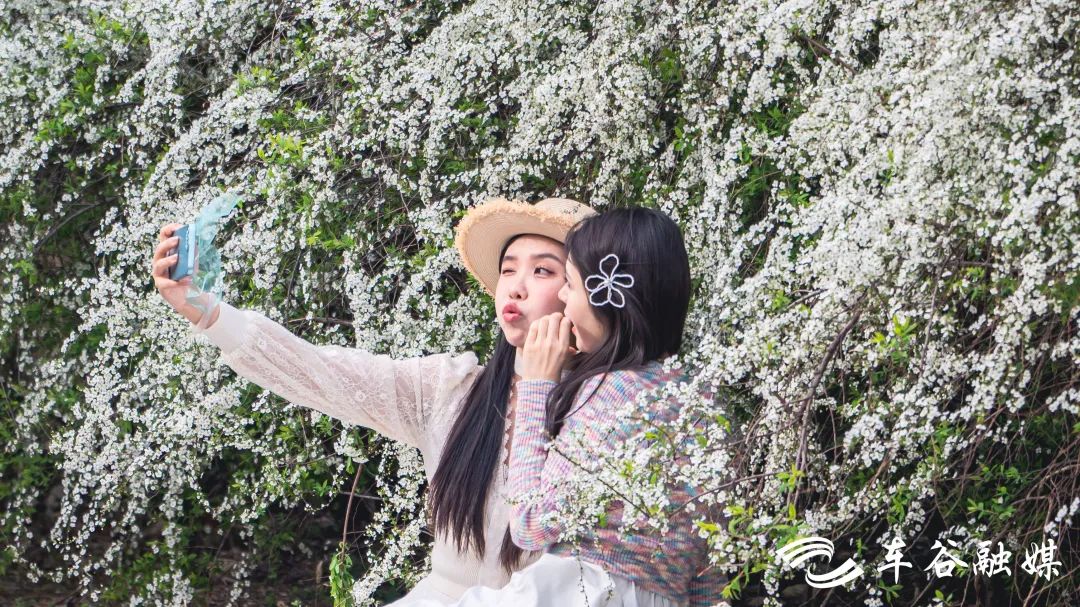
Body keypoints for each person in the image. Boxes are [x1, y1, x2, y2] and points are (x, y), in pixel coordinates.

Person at [151, 196, 597, 604]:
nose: (515, 288)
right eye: (508, 270)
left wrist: (543, 383)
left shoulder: (608, 409)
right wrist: (204, 309)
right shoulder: (452, 390)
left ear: (580, 294)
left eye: (543, 271)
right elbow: (322, 373)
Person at [396, 207, 726, 607]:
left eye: (569, 283)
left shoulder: (610, 393)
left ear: (608, 293)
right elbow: (709, 564)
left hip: (580, 591)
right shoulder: (698, 399)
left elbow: (530, 524)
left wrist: (536, 386)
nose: (564, 300)